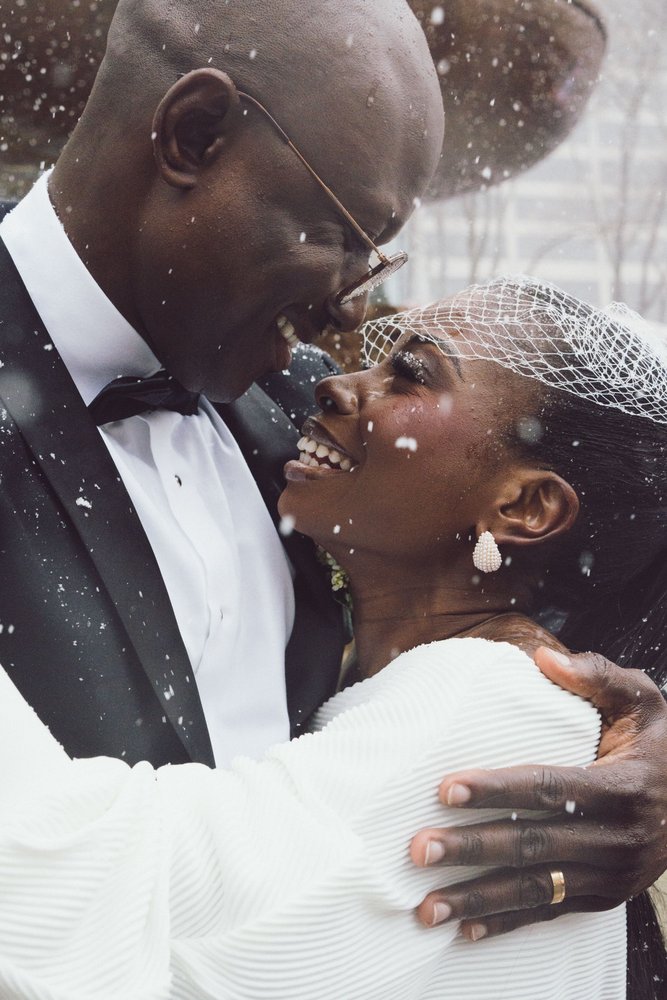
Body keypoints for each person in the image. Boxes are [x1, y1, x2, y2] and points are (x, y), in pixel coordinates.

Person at [0, 0, 664, 939]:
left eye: (377, 258)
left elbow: (557, 588)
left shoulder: (316, 423)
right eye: (348, 236)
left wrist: (644, 752)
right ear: (194, 135)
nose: (353, 313)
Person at [0, 276, 663, 998]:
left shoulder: (493, 702)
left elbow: (83, 882)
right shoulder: (407, 683)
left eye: (410, 374)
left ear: (525, 507)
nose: (336, 385)